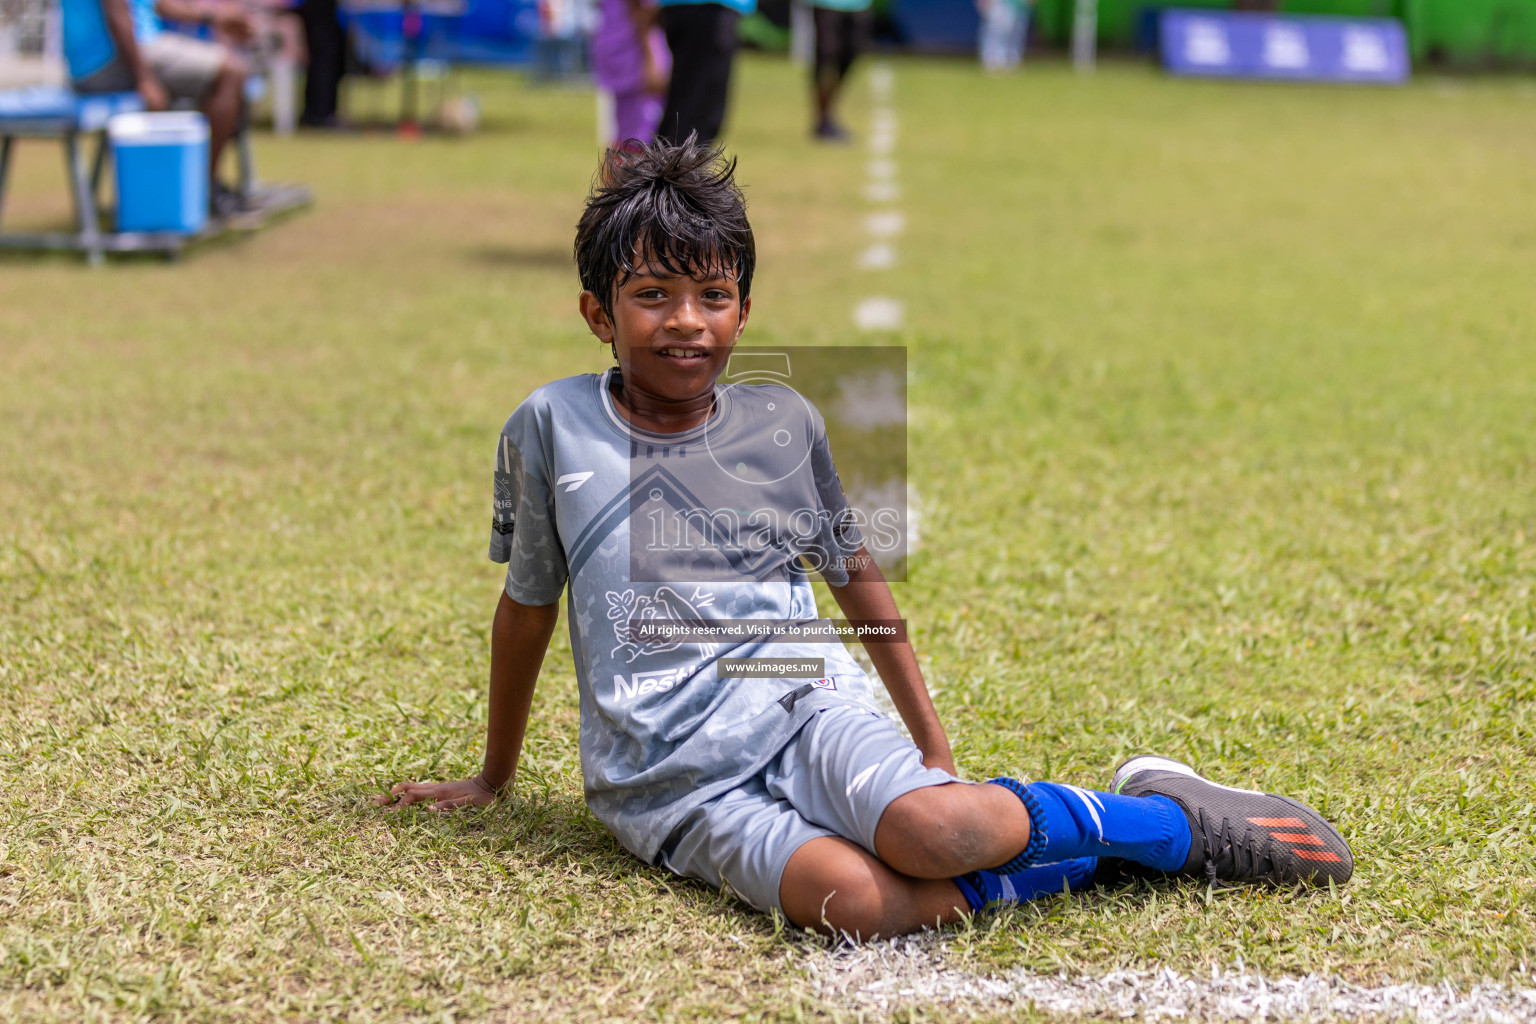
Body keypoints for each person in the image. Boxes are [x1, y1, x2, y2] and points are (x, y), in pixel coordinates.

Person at [376, 139, 1354, 940]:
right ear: (597, 313)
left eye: (714, 297)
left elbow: (857, 578)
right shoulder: (548, 427)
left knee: (942, 825)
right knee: (867, 905)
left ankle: (1177, 822)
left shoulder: (781, 423)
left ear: (745, 312)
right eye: (652, 295)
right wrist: (494, 774)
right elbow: (528, 606)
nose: (687, 322)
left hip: (802, 705)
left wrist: (932, 747)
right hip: (669, 783)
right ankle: (1109, 849)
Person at [61, 0, 258, 213]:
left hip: (132, 49)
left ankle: (197, 186)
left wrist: (213, 18)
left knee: (233, 77)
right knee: (232, 72)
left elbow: (156, 4)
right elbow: (116, 13)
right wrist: (144, 79)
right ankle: (202, 189)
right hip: (105, 60)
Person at [654, 0, 752, 144]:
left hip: (688, 9)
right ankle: (676, 165)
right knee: (694, 119)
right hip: (707, 9)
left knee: (683, 109)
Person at [591, 0, 670, 148]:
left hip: (616, 49)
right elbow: (642, 14)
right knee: (640, 135)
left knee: (626, 131)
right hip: (634, 56)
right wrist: (652, 57)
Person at [807, 0, 869, 141]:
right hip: (827, 4)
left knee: (850, 55)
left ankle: (828, 111)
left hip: (858, 5)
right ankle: (822, 117)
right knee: (826, 56)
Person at [977, 0, 1030, 74]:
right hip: (998, 3)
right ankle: (992, 61)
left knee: (1015, 32)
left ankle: (1009, 61)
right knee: (995, 30)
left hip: (1016, 4)